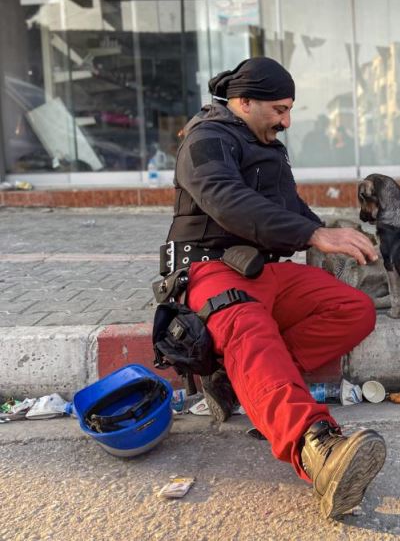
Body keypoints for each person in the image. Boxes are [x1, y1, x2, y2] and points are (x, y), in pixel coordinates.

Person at [162, 57, 386, 518]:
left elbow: (287, 204)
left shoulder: (264, 142)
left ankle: (241, 381)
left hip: (263, 270)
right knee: (249, 331)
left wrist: (329, 231)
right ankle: (317, 450)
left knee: (354, 308)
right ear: (244, 102)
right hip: (210, 272)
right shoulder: (205, 140)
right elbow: (229, 201)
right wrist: (312, 236)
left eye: (290, 110)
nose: (286, 121)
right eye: (280, 110)